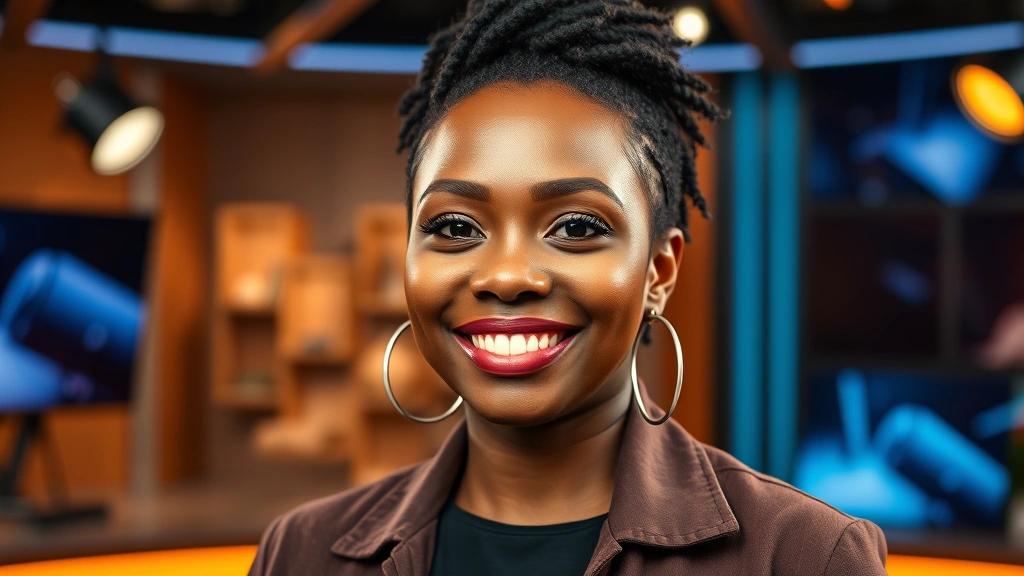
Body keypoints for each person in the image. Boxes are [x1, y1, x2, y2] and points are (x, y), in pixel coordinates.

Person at [248, 1, 888, 574]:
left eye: (577, 227)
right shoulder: (300, 553)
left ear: (659, 272)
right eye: (455, 227)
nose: (507, 276)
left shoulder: (803, 556)